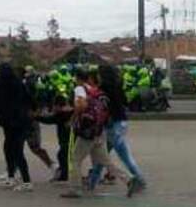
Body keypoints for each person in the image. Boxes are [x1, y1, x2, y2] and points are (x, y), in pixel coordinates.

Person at [61, 68, 130, 199]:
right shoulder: (96, 90)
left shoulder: (80, 89)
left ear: (78, 78)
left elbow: (81, 105)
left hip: (87, 131)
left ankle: (75, 189)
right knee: (105, 160)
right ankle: (128, 180)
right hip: (99, 129)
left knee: (75, 159)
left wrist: (72, 118)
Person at [94, 64, 148, 196]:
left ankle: (92, 181)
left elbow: (103, 107)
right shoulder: (118, 85)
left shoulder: (103, 88)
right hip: (121, 122)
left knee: (107, 155)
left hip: (112, 125)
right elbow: (125, 101)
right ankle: (92, 180)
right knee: (114, 155)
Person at [0, 62, 34, 191]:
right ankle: (19, 178)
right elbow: (29, 98)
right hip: (21, 120)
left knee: (9, 147)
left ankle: (19, 179)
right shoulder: (18, 83)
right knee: (17, 149)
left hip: (7, 121)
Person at [22, 66, 56, 177]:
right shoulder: (37, 81)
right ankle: (52, 165)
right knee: (34, 147)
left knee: (19, 147)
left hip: (27, 117)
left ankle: (52, 165)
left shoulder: (26, 84)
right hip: (32, 116)